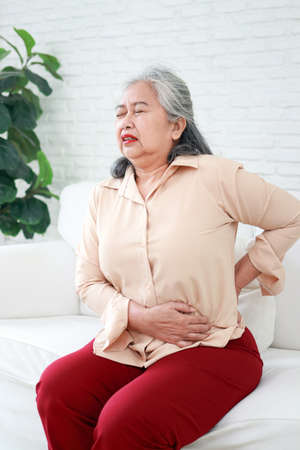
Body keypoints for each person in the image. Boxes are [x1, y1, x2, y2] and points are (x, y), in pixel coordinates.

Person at [35, 65, 300, 450]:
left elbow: (291, 216)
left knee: (124, 421)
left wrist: (234, 280)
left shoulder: (216, 177)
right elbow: (88, 282)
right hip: (132, 343)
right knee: (56, 389)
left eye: (139, 110)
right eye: (120, 112)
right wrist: (138, 316)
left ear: (177, 126)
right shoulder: (104, 196)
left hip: (213, 346)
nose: (126, 120)